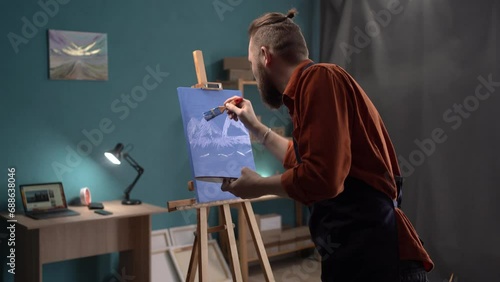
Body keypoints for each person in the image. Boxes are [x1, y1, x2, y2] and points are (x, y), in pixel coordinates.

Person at [220, 8, 434, 282]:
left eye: (252, 62)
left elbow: (323, 178)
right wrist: (256, 128)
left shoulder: (320, 79)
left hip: (377, 260)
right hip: (359, 256)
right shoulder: (312, 87)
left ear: (265, 56)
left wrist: (256, 187)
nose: (253, 69)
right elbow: (304, 161)